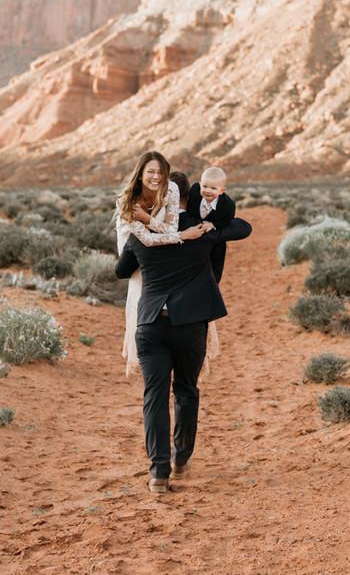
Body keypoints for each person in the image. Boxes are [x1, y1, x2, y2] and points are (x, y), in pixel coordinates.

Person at [115, 172, 252, 492]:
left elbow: (121, 271)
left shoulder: (141, 234)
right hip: (190, 324)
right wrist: (211, 226)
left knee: (154, 396)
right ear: (187, 201)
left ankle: (158, 472)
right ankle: (180, 459)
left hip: (149, 323)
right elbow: (243, 227)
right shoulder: (200, 232)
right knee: (187, 389)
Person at [115, 151, 204, 376]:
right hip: (138, 241)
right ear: (140, 174)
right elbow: (147, 240)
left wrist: (150, 220)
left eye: (161, 172)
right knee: (142, 286)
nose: (157, 177)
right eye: (151, 172)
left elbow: (171, 228)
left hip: (161, 234)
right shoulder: (126, 200)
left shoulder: (171, 189)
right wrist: (185, 236)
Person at [187, 166, 235, 283]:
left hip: (215, 242)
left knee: (215, 263)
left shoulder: (228, 206)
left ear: (221, 190)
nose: (208, 191)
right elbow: (188, 209)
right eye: (205, 186)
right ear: (199, 184)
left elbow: (226, 221)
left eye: (213, 188)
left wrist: (213, 224)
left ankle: (213, 284)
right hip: (193, 236)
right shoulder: (194, 192)